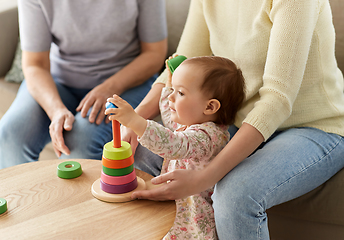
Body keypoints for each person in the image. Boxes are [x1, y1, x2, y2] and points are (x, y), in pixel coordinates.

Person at [121, 0, 344, 239]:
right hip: (237, 121)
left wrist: (204, 178)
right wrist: (137, 118)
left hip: (312, 126)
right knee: (141, 151)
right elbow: (182, 63)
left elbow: (277, 99)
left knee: (236, 194)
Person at [0, 0, 167, 169]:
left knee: (79, 144)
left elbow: (155, 53)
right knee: (10, 137)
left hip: (128, 81)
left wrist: (110, 87)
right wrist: (55, 110)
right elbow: (34, 64)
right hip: (59, 81)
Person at [105, 56, 246, 239]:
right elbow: (169, 111)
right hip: (177, 212)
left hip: (193, 222)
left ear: (210, 106)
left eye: (180, 93)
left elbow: (173, 144)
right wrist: (170, 84)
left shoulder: (208, 137)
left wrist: (134, 120)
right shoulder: (191, 121)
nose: (171, 97)